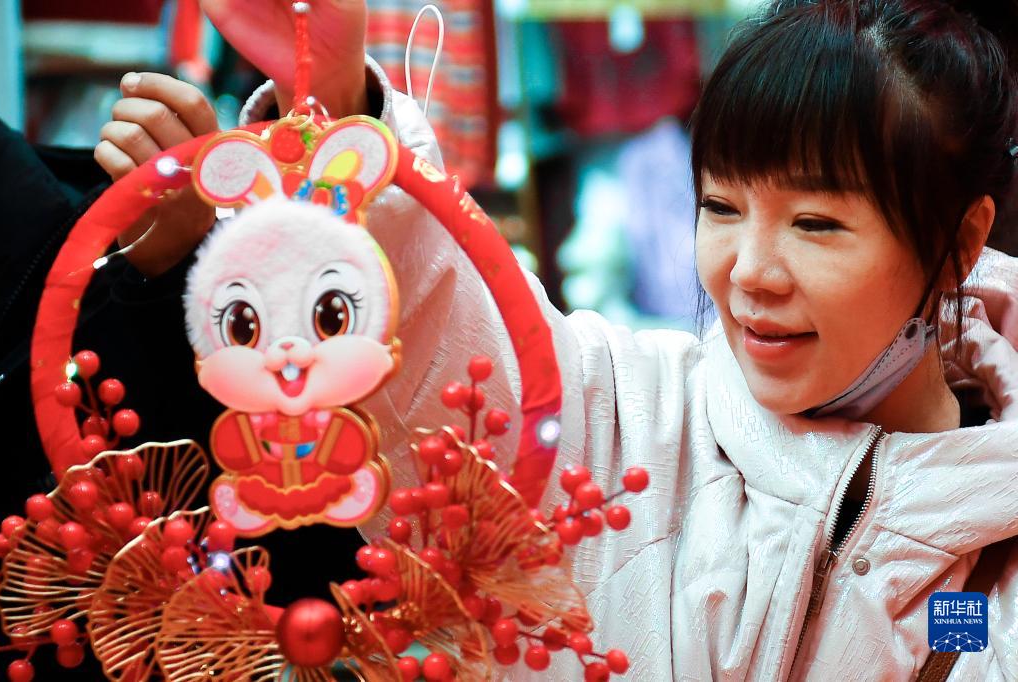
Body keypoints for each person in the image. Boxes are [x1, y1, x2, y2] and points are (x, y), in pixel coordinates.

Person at [88, 0, 1018, 679]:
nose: (748, 272)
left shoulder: (991, 549)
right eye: (721, 207)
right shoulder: (624, 416)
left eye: (816, 223)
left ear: (958, 239)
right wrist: (335, 102)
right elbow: (446, 340)